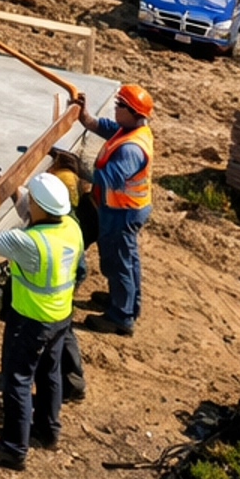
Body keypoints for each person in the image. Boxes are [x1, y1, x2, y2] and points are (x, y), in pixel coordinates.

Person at [0, 172, 84, 469]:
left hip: (31, 322)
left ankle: (13, 447)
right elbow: (30, 209)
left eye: (32, 199)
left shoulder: (31, 242)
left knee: (17, 380)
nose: (28, 202)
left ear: (41, 207)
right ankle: (47, 430)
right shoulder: (71, 227)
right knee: (49, 374)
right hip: (60, 317)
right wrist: (3, 181)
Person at [78, 83, 154, 337]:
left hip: (121, 212)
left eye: (120, 105)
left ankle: (120, 317)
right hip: (126, 209)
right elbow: (111, 129)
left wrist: (78, 166)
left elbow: (109, 178)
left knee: (118, 262)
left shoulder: (131, 149)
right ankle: (127, 302)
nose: (115, 108)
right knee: (127, 260)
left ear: (133, 112)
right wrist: (87, 119)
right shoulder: (132, 130)